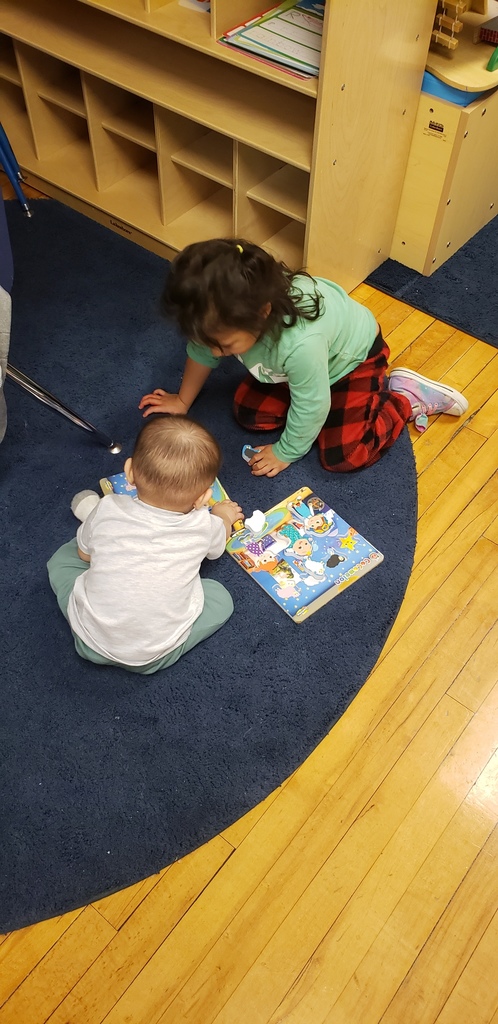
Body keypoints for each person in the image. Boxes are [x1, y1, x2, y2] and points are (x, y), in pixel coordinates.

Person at [139, 238, 468, 477]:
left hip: (353, 363)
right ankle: (319, 407)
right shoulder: (227, 317)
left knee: (344, 455)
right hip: (298, 367)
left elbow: (312, 404)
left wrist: (286, 452)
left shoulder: (300, 343)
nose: (213, 353)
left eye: (223, 347)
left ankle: (404, 397)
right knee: (248, 413)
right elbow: (201, 349)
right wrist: (183, 400)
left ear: (262, 313)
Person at [47, 415, 242, 674]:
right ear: (203, 497)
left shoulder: (108, 507)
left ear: (129, 471)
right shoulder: (205, 526)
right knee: (221, 598)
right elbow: (217, 548)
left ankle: (90, 521)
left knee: (62, 559)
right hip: (151, 658)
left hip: (88, 637)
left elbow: (84, 556)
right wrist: (223, 517)